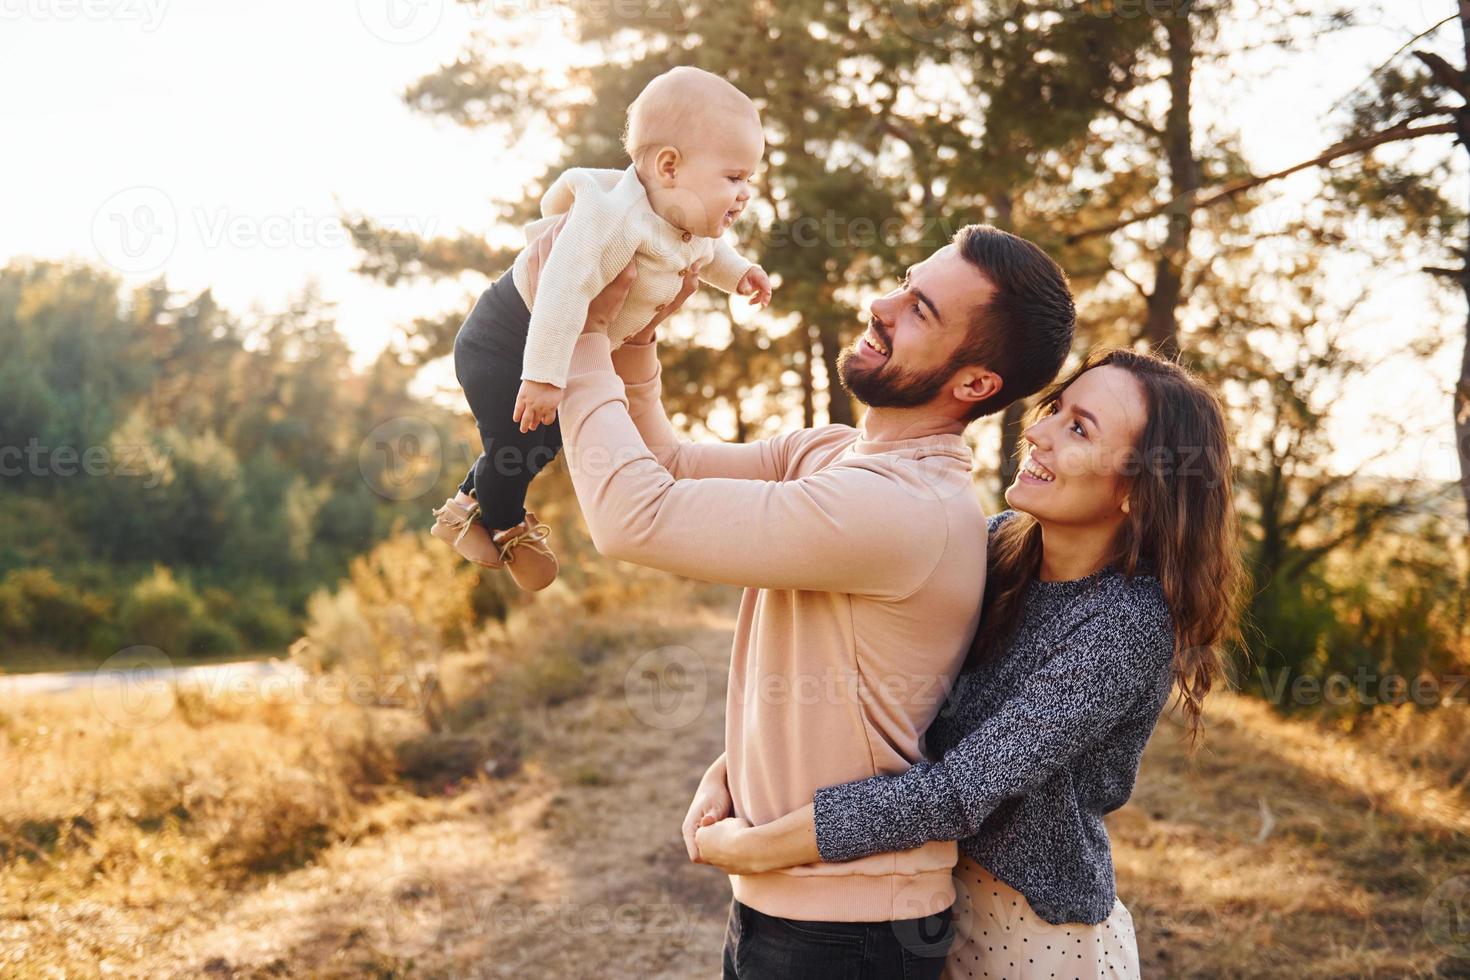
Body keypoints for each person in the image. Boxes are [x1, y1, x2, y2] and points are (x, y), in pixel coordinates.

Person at [527, 212, 1077, 978]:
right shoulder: (833, 452)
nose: (883, 306)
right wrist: (632, 336)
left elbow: (634, 518)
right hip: (798, 906)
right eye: (904, 285)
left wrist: (575, 330)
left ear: (976, 384)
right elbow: (671, 466)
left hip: (847, 930)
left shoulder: (902, 507)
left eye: (921, 311)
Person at [692, 347, 1246, 979]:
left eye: (1079, 429)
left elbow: (958, 793)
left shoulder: (1125, 625)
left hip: (1031, 938)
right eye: (1055, 410)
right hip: (923, 900)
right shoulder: (997, 545)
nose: (1036, 432)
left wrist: (760, 847)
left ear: (1140, 491)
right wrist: (734, 767)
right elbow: (871, 686)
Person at [429, 65, 772, 591]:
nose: (745, 193)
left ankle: (465, 509)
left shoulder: (682, 221)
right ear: (669, 166)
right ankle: (503, 522)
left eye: (749, 179)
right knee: (519, 445)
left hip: (548, 350)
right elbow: (561, 287)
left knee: (544, 442)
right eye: (734, 177)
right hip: (507, 338)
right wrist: (542, 374)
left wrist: (741, 274)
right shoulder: (610, 218)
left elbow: (711, 252)